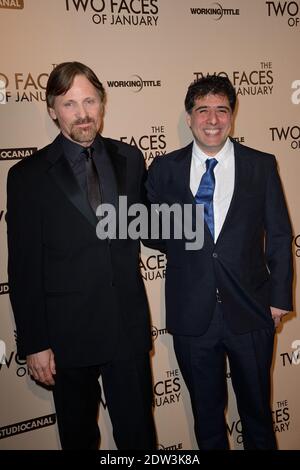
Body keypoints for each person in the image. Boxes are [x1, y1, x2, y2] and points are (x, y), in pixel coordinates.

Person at [6, 61, 156, 450]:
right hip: (66, 336)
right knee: (78, 440)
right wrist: (35, 342)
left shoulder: (130, 158)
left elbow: (147, 225)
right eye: (70, 104)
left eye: (90, 101)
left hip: (127, 328)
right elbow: (23, 268)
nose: (83, 113)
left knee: (139, 436)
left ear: (102, 104)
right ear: (53, 109)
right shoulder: (27, 176)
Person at [145, 75, 293, 449]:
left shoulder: (260, 165)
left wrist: (278, 299)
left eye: (221, 110)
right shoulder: (164, 169)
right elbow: (151, 232)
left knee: (258, 416)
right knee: (207, 421)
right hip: (193, 316)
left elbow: (278, 235)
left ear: (232, 115)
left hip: (252, 312)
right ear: (190, 116)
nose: (212, 119)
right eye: (203, 110)